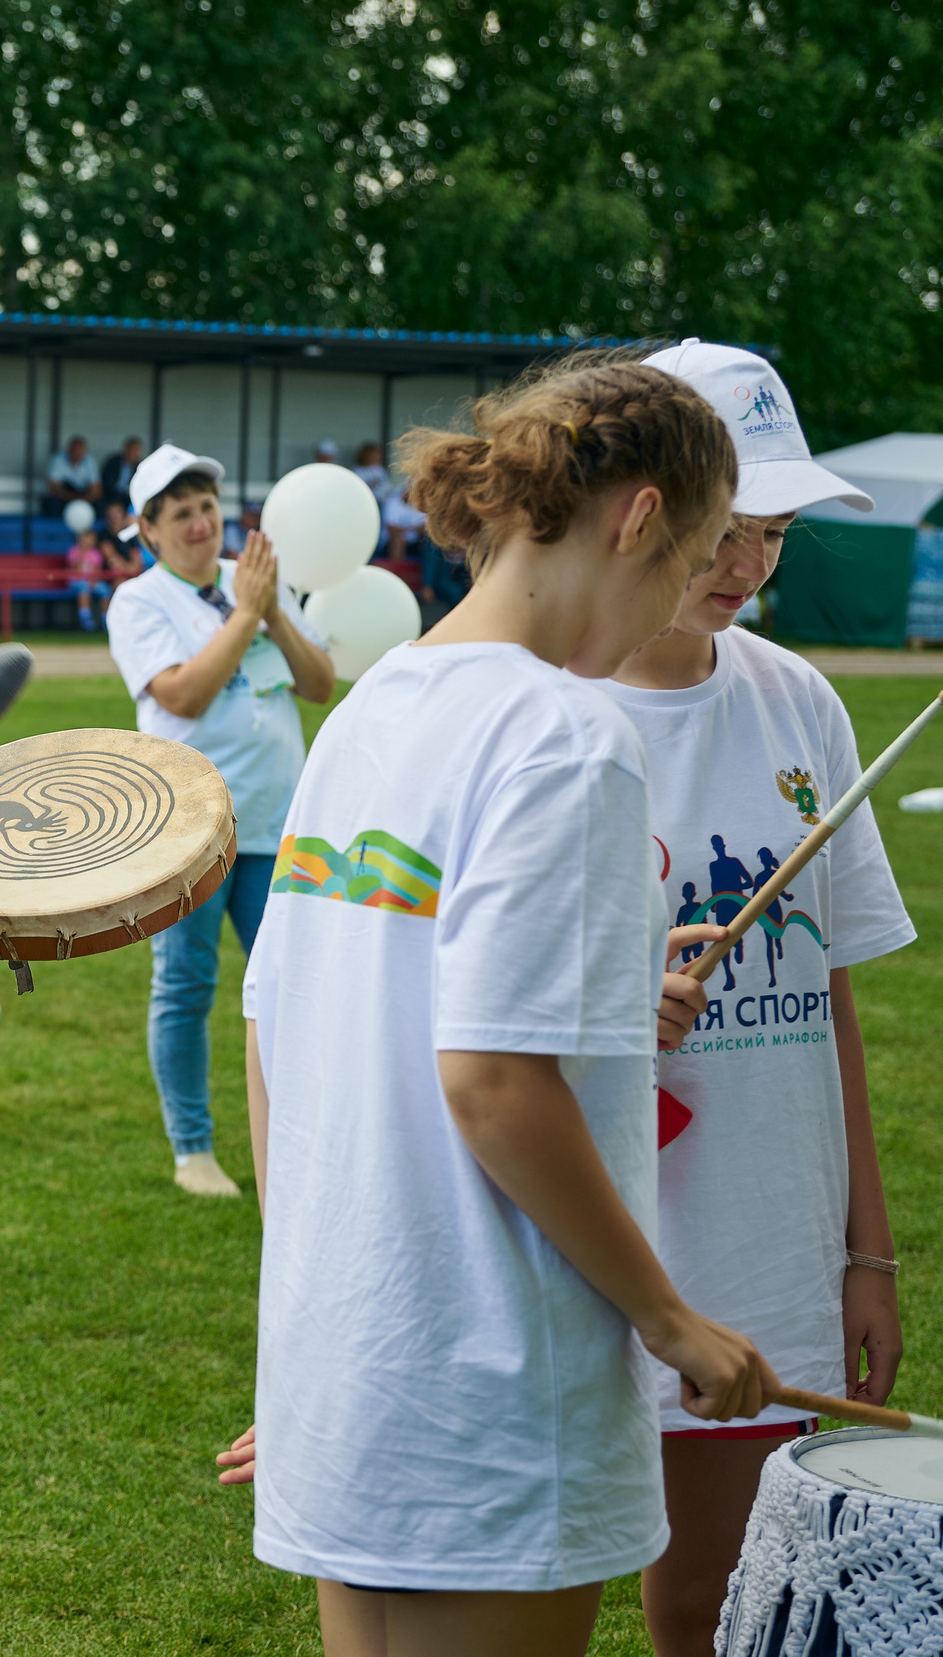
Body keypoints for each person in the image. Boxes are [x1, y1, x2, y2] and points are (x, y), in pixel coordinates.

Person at [225, 354, 770, 1657]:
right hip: (493, 1388)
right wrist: (670, 1314)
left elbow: (275, 1031)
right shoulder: (567, 736)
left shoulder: (369, 712)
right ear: (638, 517)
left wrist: (312, 1313)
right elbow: (492, 1077)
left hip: (353, 1365)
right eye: (688, 557)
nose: (664, 615)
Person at [594, 340, 910, 1657]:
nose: (750, 564)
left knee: (737, 1600)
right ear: (645, 508)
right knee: (631, 1580)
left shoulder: (803, 704)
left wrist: (866, 1249)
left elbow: (828, 993)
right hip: (613, 1231)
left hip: (773, 1230)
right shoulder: (554, 711)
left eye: (774, 531)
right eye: (729, 529)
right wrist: (619, 1010)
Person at [104, 445, 332, 1197]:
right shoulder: (139, 601)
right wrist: (246, 614)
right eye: (181, 514)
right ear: (148, 529)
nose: (201, 524)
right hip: (190, 832)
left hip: (278, 820)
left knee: (295, 987)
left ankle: (306, 1136)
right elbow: (183, 694)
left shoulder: (252, 578)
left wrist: (269, 610)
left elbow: (319, 682)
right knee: (187, 985)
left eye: (207, 508)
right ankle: (193, 1149)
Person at [45, 433, 98, 515]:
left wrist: (83, 498)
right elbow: (54, 487)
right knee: (52, 503)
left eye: (80, 450)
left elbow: (96, 488)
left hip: (84, 495)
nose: (77, 453)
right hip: (64, 495)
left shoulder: (90, 461)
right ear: (69, 449)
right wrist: (73, 498)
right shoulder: (58, 460)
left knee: (99, 503)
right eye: (75, 450)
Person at [98, 434, 144, 511]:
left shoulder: (140, 468)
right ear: (125, 449)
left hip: (129, 499)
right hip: (110, 497)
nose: (133, 453)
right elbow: (107, 484)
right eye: (131, 450)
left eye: (136, 451)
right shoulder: (113, 462)